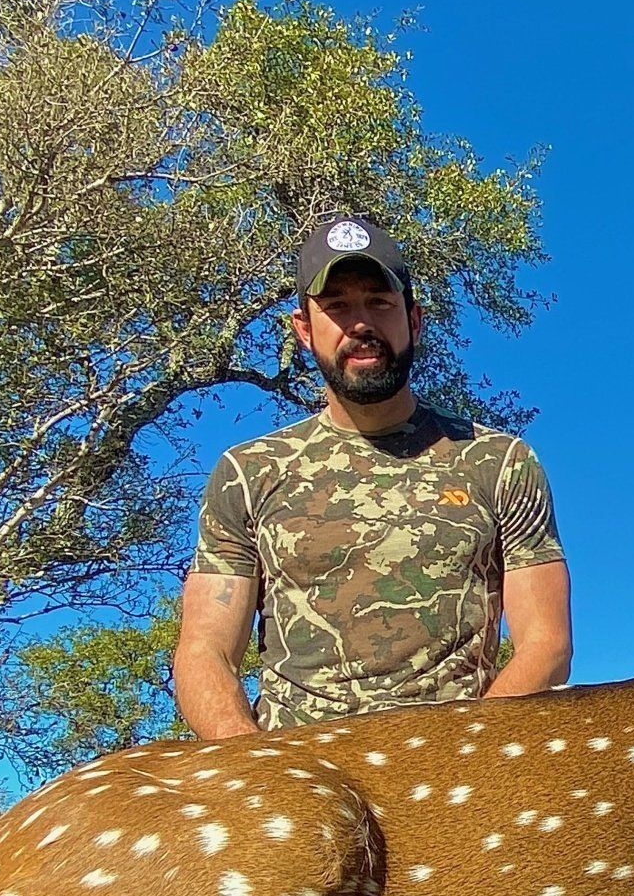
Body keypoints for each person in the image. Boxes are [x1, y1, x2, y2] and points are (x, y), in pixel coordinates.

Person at [174, 217, 572, 738]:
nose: (359, 323)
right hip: (293, 776)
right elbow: (205, 652)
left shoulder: (498, 460)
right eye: (336, 306)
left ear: (414, 319)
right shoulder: (247, 472)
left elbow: (547, 643)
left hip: (464, 770)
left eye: (380, 303)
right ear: (303, 328)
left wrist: (470, 756)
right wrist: (259, 771)